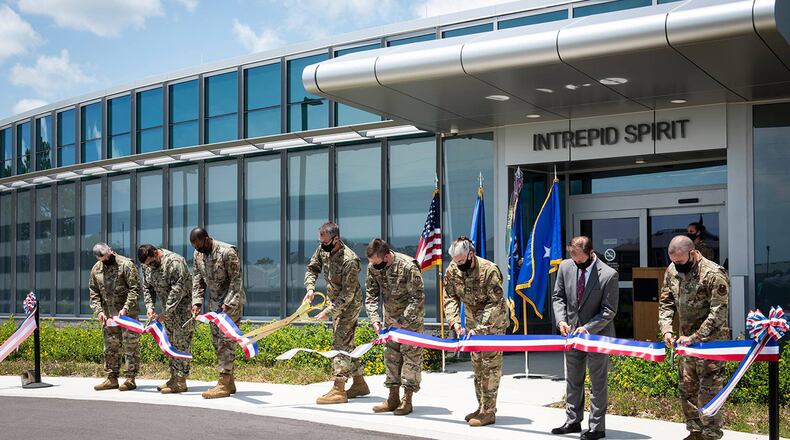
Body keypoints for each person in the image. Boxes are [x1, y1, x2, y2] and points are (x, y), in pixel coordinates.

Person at [659, 235, 729, 440]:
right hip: (685, 343)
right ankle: (695, 432)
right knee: (687, 388)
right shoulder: (672, 270)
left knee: (709, 390)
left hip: (710, 344)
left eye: (680, 261)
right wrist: (666, 330)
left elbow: (718, 314)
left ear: (692, 253)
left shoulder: (713, 274)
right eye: (673, 261)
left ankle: (711, 434)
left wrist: (695, 337)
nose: (676, 265)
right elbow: (666, 303)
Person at [551, 236, 619, 440]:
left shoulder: (608, 274)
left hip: (597, 336)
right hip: (571, 335)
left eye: (579, 258)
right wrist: (561, 321)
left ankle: (597, 427)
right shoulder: (565, 267)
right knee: (573, 379)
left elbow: (609, 311)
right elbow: (558, 297)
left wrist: (587, 328)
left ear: (590, 253)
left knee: (597, 382)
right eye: (572, 256)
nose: (575, 261)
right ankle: (572, 421)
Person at [443, 236, 508, 427]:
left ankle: (489, 411)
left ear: (471, 254)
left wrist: (479, 328)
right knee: (477, 366)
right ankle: (481, 407)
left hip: (492, 324)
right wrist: (455, 322)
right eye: (456, 261)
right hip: (471, 324)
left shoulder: (489, 270)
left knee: (490, 367)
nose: (458, 264)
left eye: (462, 260)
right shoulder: (453, 270)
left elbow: (494, 303)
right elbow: (450, 298)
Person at [304, 221, 369, 404]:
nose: (322, 245)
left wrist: (328, 311)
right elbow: (312, 268)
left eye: (325, 242)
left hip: (349, 305)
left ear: (336, 239)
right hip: (335, 302)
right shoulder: (323, 248)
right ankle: (359, 383)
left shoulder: (350, 260)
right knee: (348, 344)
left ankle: (339, 389)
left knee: (339, 343)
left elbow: (347, 295)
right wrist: (310, 288)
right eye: (320, 242)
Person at [364, 238, 425, 415]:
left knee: (410, 360)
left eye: (377, 263)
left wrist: (403, 319)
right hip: (389, 322)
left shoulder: (408, 266)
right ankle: (393, 397)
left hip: (410, 322)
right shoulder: (373, 267)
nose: (374, 267)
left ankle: (407, 399)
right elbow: (371, 295)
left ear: (387, 257)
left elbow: (418, 298)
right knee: (391, 357)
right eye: (372, 263)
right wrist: (375, 320)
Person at [190, 227, 246, 399]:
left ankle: (223, 382)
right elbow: (198, 279)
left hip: (231, 303)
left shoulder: (227, 252)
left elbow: (236, 280)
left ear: (207, 239)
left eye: (199, 245)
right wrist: (197, 302)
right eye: (195, 247)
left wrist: (228, 304)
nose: (197, 250)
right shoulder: (198, 254)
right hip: (215, 305)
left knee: (226, 341)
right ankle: (229, 382)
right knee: (217, 342)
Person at [138, 244, 195, 394]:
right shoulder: (147, 266)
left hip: (183, 310)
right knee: (170, 343)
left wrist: (166, 312)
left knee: (181, 343)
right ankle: (173, 378)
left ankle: (181, 380)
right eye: (146, 264)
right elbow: (147, 287)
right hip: (166, 311)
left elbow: (178, 289)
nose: (149, 266)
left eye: (151, 262)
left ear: (156, 253)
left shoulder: (175, 262)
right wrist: (150, 307)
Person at [88, 243, 141, 392]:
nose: (106, 261)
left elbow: (135, 289)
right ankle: (112, 378)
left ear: (110, 250)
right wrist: (99, 311)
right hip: (109, 315)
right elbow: (94, 292)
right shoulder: (96, 269)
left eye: (107, 257)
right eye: (103, 259)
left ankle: (130, 378)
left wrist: (126, 308)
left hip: (127, 314)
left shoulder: (126, 265)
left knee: (130, 346)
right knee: (110, 347)